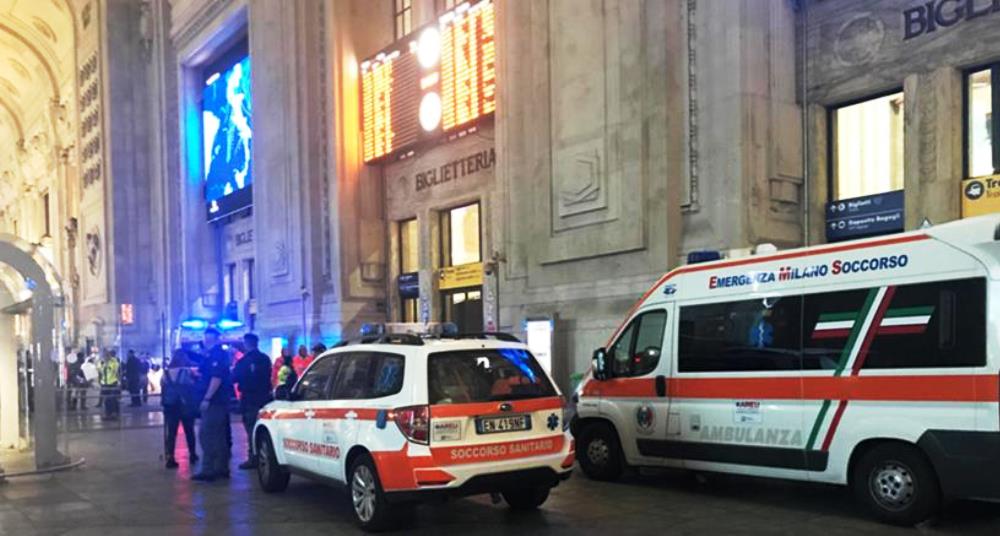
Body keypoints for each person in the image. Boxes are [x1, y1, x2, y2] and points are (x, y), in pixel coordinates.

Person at [192, 328, 234, 482]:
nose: (205, 340)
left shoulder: (217, 355)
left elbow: (216, 378)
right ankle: (221, 468)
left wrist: (207, 398)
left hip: (215, 402)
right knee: (219, 436)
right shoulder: (213, 355)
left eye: (208, 338)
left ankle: (209, 469)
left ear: (214, 339)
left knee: (207, 435)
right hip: (218, 402)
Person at [232, 333, 272, 470]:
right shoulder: (265, 359)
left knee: (251, 429)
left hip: (249, 399)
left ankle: (253, 457)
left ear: (246, 343)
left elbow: (234, 378)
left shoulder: (244, 361)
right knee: (262, 428)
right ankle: (262, 454)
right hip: (264, 398)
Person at [162, 349, 199, 469]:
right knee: (189, 431)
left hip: (170, 406)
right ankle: (192, 454)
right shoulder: (186, 372)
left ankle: (170, 457)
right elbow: (192, 385)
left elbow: (163, 387)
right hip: (185, 405)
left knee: (171, 433)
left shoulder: (166, 372)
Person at [98, 350, 121, 420]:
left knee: (113, 399)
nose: (105, 357)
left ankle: (115, 413)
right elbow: (99, 371)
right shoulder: (101, 363)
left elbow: (116, 370)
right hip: (104, 383)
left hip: (113, 383)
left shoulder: (114, 362)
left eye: (107, 355)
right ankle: (108, 414)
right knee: (106, 400)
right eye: (104, 355)